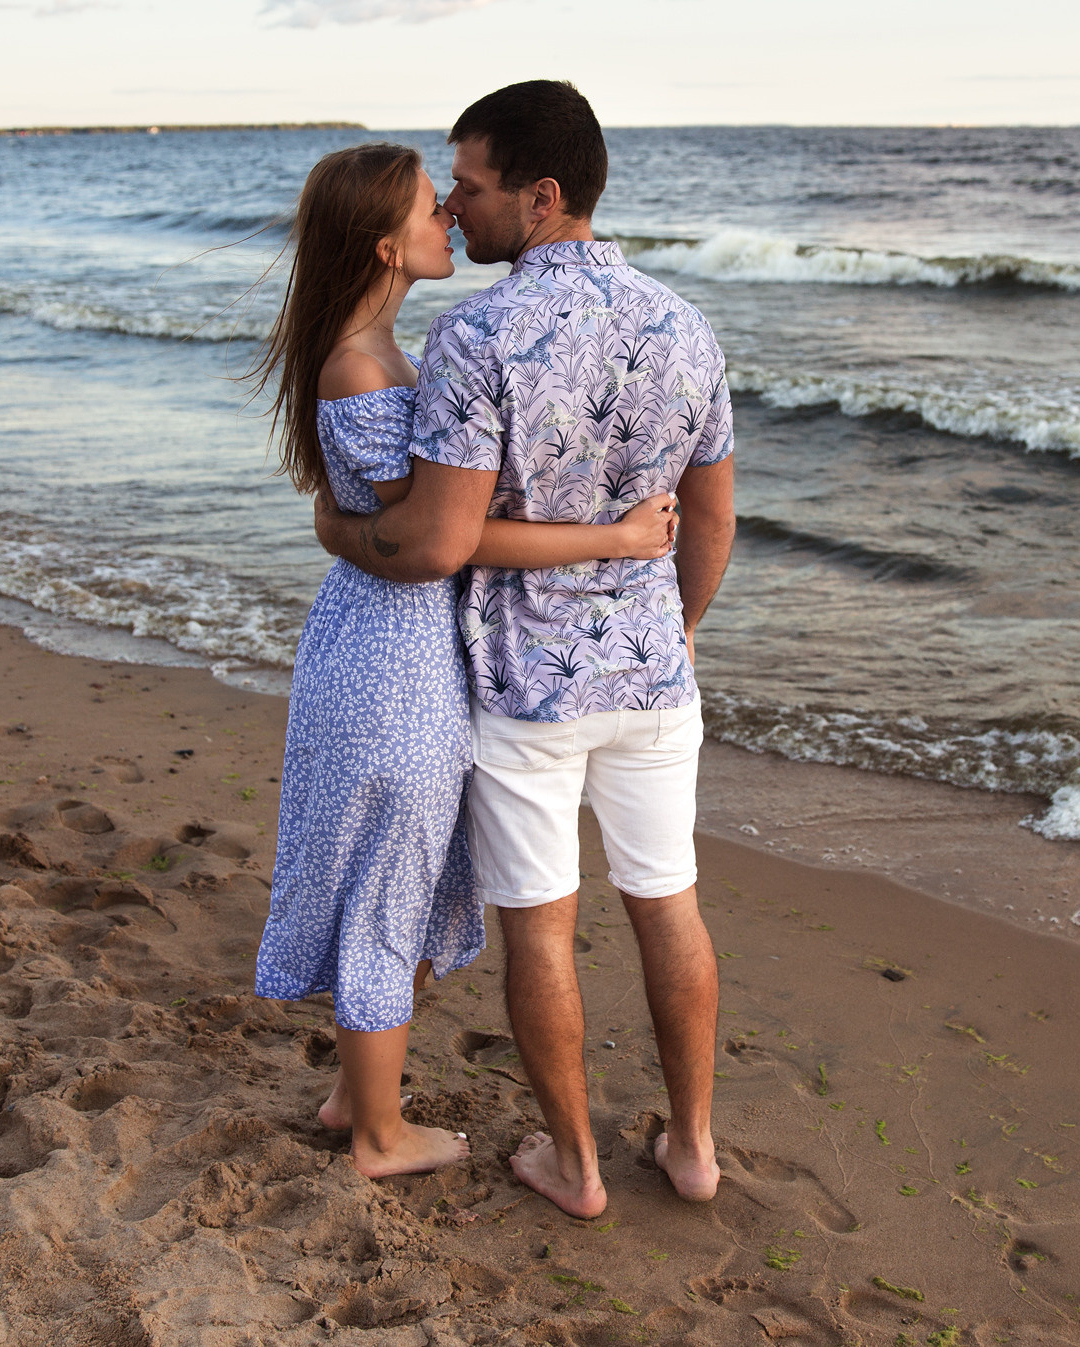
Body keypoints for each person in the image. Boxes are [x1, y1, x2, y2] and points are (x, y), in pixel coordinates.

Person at [313, 81, 736, 1217]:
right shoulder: (684, 325)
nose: (457, 205)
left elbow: (439, 542)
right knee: (669, 903)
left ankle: (577, 1165)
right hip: (653, 677)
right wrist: (676, 630)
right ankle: (692, 1149)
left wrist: (339, 528)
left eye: (475, 185)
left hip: (523, 688)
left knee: (541, 931)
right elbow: (710, 520)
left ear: (543, 198)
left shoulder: (475, 335)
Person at [249, 141, 681, 1180]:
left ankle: (355, 1095)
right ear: (384, 243)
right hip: (393, 658)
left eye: (451, 199)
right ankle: (380, 1136)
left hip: (391, 645)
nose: (448, 213)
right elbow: (442, 540)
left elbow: (403, 523)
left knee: (388, 880)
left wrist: (348, 527)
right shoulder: (365, 364)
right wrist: (615, 540)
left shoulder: (381, 352)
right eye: (425, 208)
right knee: (387, 891)